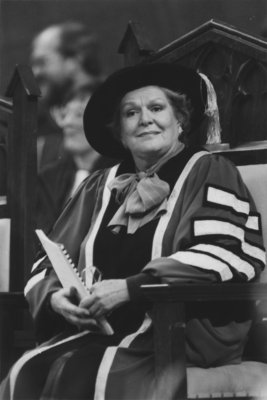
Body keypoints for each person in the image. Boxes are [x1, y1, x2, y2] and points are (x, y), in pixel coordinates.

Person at [0, 63, 265, 400]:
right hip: (98, 329)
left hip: (180, 329)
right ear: (120, 132)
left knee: (83, 376)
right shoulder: (99, 186)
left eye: (157, 108)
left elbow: (224, 251)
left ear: (180, 120)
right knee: (27, 373)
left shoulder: (209, 171)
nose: (145, 119)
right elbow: (47, 259)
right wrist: (55, 298)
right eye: (131, 113)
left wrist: (132, 289)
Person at [36, 88, 116, 233]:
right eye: (65, 114)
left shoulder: (119, 176)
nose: (67, 123)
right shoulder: (48, 178)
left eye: (79, 115)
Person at [30, 21, 103, 169]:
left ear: (75, 60)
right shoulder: (36, 118)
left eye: (42, 62)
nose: (35, 72)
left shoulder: (112, 108)